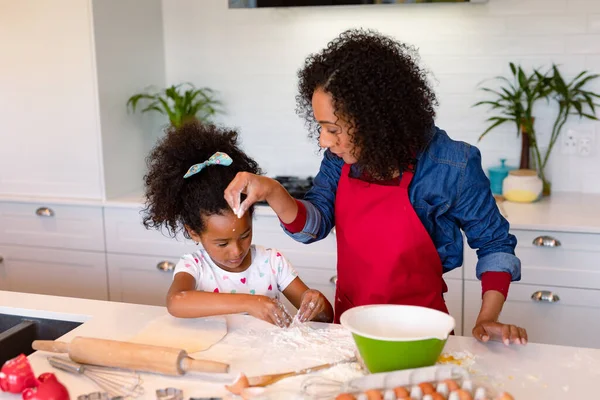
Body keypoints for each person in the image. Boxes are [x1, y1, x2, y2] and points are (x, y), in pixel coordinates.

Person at [224, 28, 527, 345]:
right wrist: (273, 191)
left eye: (333, 129)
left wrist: (487, 319)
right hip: (350, 327)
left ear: (374, 119)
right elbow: (311, 227)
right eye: (321, 128)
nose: (324, 141)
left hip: (422, 331)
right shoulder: (339, 159)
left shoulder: (452, 165)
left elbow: (494, 245)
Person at [142, 121, 333, 326]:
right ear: (194, 233)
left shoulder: (272, 263)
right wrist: (249, 303)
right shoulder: (195, 267)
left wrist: (317, 304)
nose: (236, 251)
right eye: (222, 243)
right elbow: (176, 302)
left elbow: (325, 318)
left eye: (244, 235)